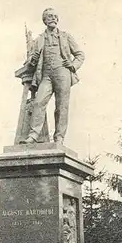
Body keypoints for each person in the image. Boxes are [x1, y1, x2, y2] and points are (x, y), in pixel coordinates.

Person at [20, 8, 85, 145]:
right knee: (38, 102)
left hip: (63, 73)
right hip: (46, 75)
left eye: (55, 16)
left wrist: (73, 65)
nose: (53, 18)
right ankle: (33, 135)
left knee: (61, 106)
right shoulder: (39, 39)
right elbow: (32, 60)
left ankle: (59, 137)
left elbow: (80, 55)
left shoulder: (66, 37)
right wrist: (32, 60)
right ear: (44, 20)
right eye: (50, 16)